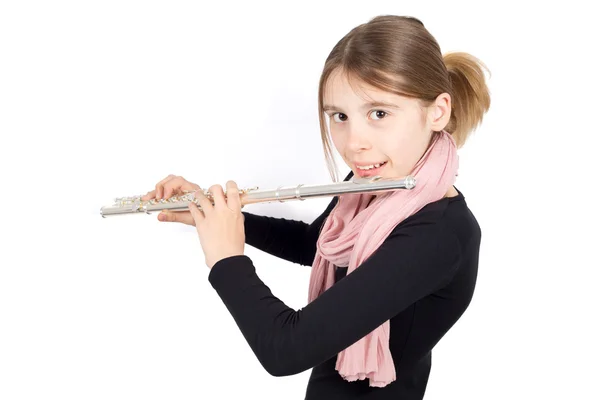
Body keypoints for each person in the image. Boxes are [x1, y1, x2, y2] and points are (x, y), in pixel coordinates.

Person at [141, 14, 490, 400]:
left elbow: (285, 349)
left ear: (437, 112)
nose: (354, 142)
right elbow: (315, 243)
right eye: (340, 116)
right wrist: (217, 214)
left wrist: (226, 259)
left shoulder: (439, 235)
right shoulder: (372, 184)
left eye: (379, 113)